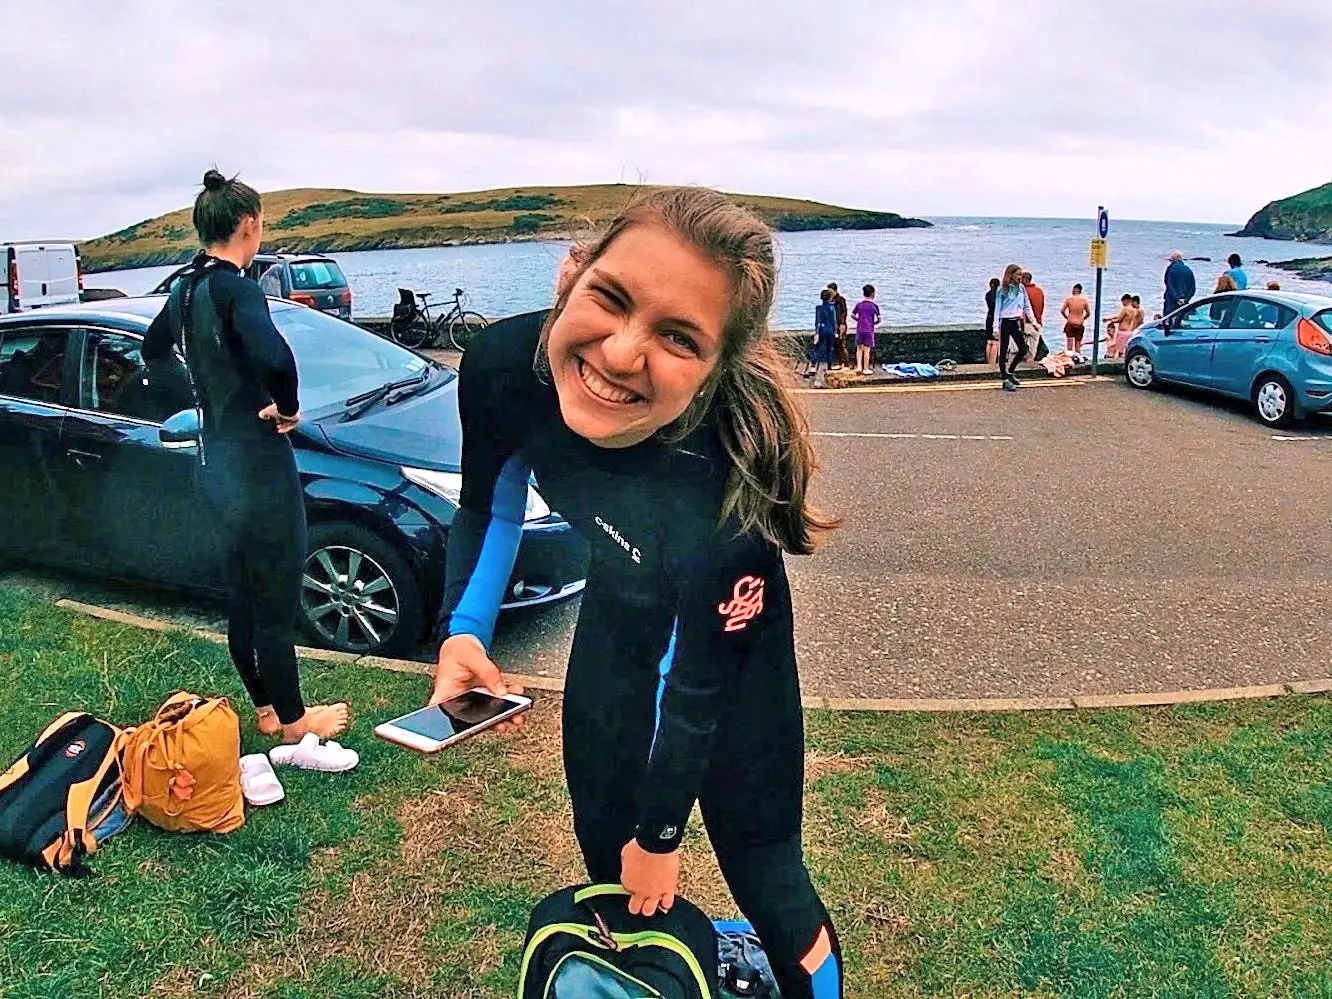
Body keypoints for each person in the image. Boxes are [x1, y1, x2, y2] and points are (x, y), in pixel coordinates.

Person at [427, 187, 844, 999]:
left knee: (766, 871)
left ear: (717, 370)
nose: (620, 355)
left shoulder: (727, 483)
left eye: (678, 337)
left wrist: (661, 834)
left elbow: (695, 688)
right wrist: (465, 629)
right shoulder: (503, 368)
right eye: (611, 298)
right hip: (619, 622)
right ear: (571, 274)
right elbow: (490, 505)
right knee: (605, 854)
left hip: (732, 666)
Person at [142, 170, 348, 743]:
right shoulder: (237, 288)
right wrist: (288, 408)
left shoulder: (184, 288)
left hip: (216, 462)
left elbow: (153, 350)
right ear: (250, 225)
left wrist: (198, 398)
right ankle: (295, 722)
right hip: (258, 463)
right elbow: (276, 356)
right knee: (276, 597)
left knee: (243, 595)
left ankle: (266, 708)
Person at [994, 264, 1035, 390]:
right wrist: (995, 327)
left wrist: (1033, 321)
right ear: (1011, 275)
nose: (1020, 277)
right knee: (1003, 350)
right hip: (1005, 321)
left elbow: (1027, 305)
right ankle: (1005, 379)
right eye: (1017, 274)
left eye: (1021, 275)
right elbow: (997, 309)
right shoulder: (1002, 290)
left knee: (1023, 349)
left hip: (1015, 321)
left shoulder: (1021, 288)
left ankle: (1010, 372)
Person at [810, 288, 838, 387]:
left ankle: (813, 365)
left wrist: (817, 333)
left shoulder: (818, 308)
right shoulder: (832, 308)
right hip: (830, 330)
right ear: (830, 298)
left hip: (822, 329)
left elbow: (817, 321)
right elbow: (834, 320)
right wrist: (835, 331)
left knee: (817, 347)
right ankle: (829, 366)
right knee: (830, 348)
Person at [851, 284, 880, 375]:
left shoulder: (859, 305)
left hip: (860, 329)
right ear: (873, 294)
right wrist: (874, 323)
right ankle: (865, 368)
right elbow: (879, 319)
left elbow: (852, 315)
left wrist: (858, 320)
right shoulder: (874, 306)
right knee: (867, 349)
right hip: (869, 330)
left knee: (859, 348)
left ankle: (859, 367)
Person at [1060, 282, 1091, 357]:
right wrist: (1083, 319)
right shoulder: (1084, 301)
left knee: (1069, 347)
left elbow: (1062, 311)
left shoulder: (1069, 300)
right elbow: (1088, 313)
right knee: (1078, 346)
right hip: (1079, 324)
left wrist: (1067, 318)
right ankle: (1078, 359)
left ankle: (1069, 360)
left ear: (1074, 290)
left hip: (1070, 323)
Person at [1164, 251, 1196, 318]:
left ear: (1173, 259)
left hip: (1171, 303)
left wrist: (1177, 298)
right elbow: (1193, 289)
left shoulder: (1171, 269)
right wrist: (1186, 299)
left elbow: (1169, 284)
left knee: (1169, 321)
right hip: (1185, 303)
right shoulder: (1188, 270)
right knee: (1183, 320)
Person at [827, 282, 849, 370]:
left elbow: (844, 311)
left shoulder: (841, 299)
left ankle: (846, 364)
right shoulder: (829, 300)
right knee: (836, 345)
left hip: (840, 324)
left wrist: (842, 323)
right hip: (833, 325)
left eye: (830, 291)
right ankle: (840, 363)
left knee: (842, 344)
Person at [1104, 294, 1132, 359]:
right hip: (1129, 331)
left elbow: (1119, 319)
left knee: (1119, 351)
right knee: (1124, 349)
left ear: (1126, 300)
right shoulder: (1134, 310)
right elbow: (1120, 316)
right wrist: (1108, 319)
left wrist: (1112, 321)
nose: (1122, 304)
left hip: (1122, 331)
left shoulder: (1125, 309)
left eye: (1123, 302)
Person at [984, 277, 1001, 365]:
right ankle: (992, 362)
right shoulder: (999, 296)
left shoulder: (987, 295)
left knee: (989, 341)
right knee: (995, 342)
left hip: (989, 317)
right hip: (996, 319)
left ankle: (988, 361)